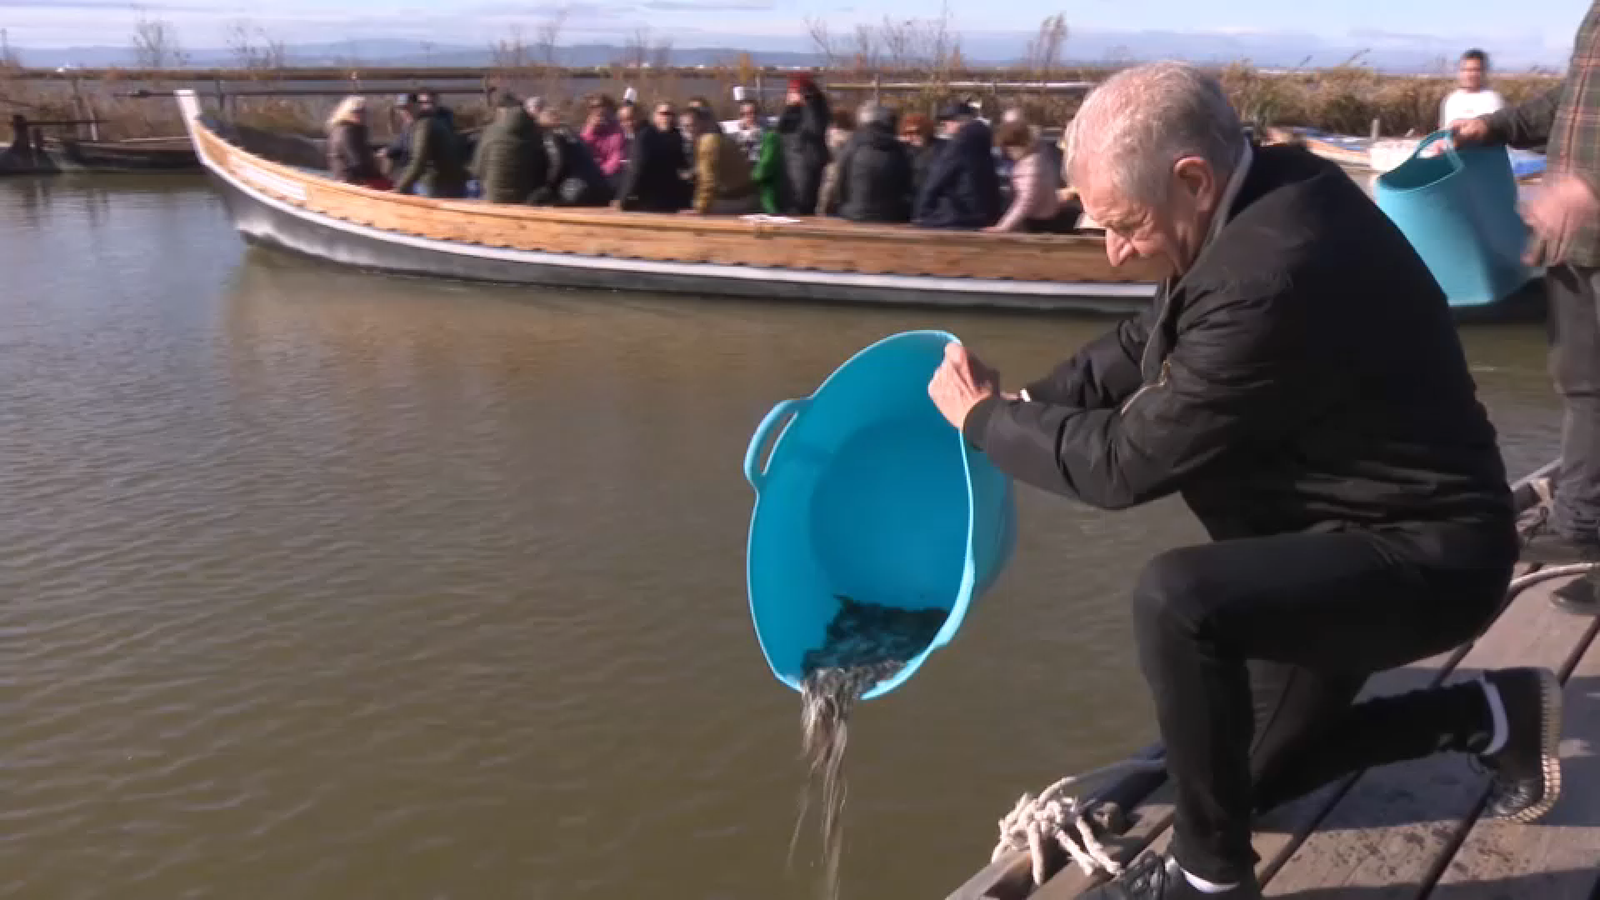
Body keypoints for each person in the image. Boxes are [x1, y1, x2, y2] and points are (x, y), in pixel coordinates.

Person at [928, 61, 1557, 900]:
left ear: (1192, 179)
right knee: (1231, 782)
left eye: (1125, 225)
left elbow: (1123, 465)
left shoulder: (1273, 272)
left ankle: (1210, 880)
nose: (1115, 252)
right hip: (1333, 540)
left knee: (1177, 598)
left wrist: (984, 422)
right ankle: (1488, 715)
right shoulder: (1261, 193)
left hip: (1425, 558)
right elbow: (1145, 338)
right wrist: (1028, 404)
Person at [1453, 8, 1600, 614]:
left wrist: (1591, 188)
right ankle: (1582, 522)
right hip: (1579, 241)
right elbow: (1577, 96)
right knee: (1584, 386)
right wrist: (1496, 126)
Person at [913, 102, 1001, 229]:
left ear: (958, 121)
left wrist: (920, 212)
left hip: (962, 214)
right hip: (986, 214)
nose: (945, 125)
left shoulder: (960, 143)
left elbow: (937, 177)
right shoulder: (983, 140)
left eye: (947, 121)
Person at [986, 119, 1068, 233]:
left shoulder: (1031, 165)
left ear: (1019, 145)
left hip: (1037, 222)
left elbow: (1026, 201)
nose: (1008, 154)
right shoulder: (1038, 156)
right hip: (1040, 217)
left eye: (1009, 149)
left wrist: (1003, 226)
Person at [836, 104, 913, 224]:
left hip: (856, 212)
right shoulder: (899, 149)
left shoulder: (853, 145)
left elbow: (841, 179)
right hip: (892, 215)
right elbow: (907, 183)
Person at [471, 92, 546, 205]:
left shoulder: (491, 131)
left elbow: (478, 168)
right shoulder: (535, 131)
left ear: (501, 111)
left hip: (494, 196)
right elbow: (542, 166)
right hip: (525, 196)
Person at [613, 102, 689, 212]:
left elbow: (635, 170)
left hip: (652, 203)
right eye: (623, 120)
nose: (628, 123)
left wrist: (621, 200)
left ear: (641, 116)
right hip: (668, 202)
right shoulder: (656, 134)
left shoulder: (644, 137)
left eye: (631, 118)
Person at [681, 106, 758, 215]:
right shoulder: (721, 138)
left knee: (693, 214)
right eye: (685, 127)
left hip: (737, 200)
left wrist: (699, 209)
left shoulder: (708, 142)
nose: (688, 130)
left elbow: (708, 182)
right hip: (747, 196)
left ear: (702, 123)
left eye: (692, 125)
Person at [391, 95, 468, 198]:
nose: (405, 112)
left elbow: (418, 162)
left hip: (436, 185)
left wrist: (399, 189)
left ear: (417, 106)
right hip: (452, 183)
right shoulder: (432, 122)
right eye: (401, 109)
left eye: (408, 107)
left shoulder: (424, 125)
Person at [776, 73, 831, 215]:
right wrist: (789, 108)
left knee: (803, 211)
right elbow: (780, 129)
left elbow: (816, 129)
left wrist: (807, 103)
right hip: (790, 171)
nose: (789, 95)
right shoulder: (792, 112)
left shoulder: (816, 110)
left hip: (806, 171)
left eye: (792, 92)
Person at [324, 95, 386, 188]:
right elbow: (358, 161)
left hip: (343, 177)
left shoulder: (339, 128)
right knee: (396, 187)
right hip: (353, 180)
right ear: (346, 111)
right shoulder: (350, 131)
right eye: (356, 111)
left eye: (363, 111)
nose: (361, 114)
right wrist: (378, 175)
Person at [1440, 48, 1505, 129]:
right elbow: (1444, 130)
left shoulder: (1494, 99)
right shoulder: (1451, 99)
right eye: (1465, 70)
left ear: (1483, 72)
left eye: (1475, 70)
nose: (1469, 74)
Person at [580, 93, 627, 187]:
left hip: (610, 174)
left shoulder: (617, 129)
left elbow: (616, 156)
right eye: (593, 107)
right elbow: (581, 152)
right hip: (589, 172)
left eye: (601, 106)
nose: (598, 110)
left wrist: (602, 173)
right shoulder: (587, 129)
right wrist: (591, 130)